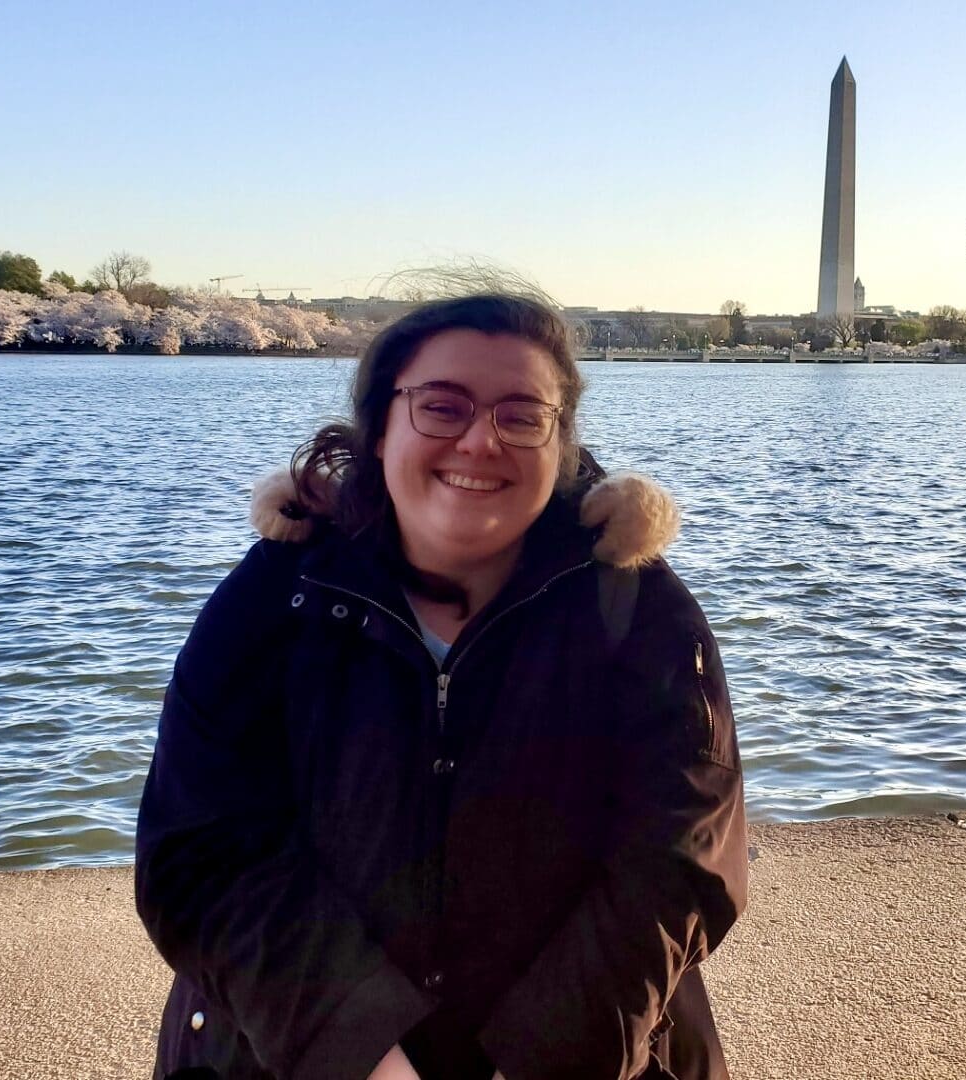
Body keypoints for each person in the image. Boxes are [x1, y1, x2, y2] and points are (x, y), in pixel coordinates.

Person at [135, 292, 748, 1080]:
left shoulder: (637, 607)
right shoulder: (273, 600)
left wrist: (547, 1057)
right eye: (441, 406)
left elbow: (680, 861)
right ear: (380, 426)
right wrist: (358, 1055)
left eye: (521, 414)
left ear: (560, 440)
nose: (479, 440)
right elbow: (203, 852)